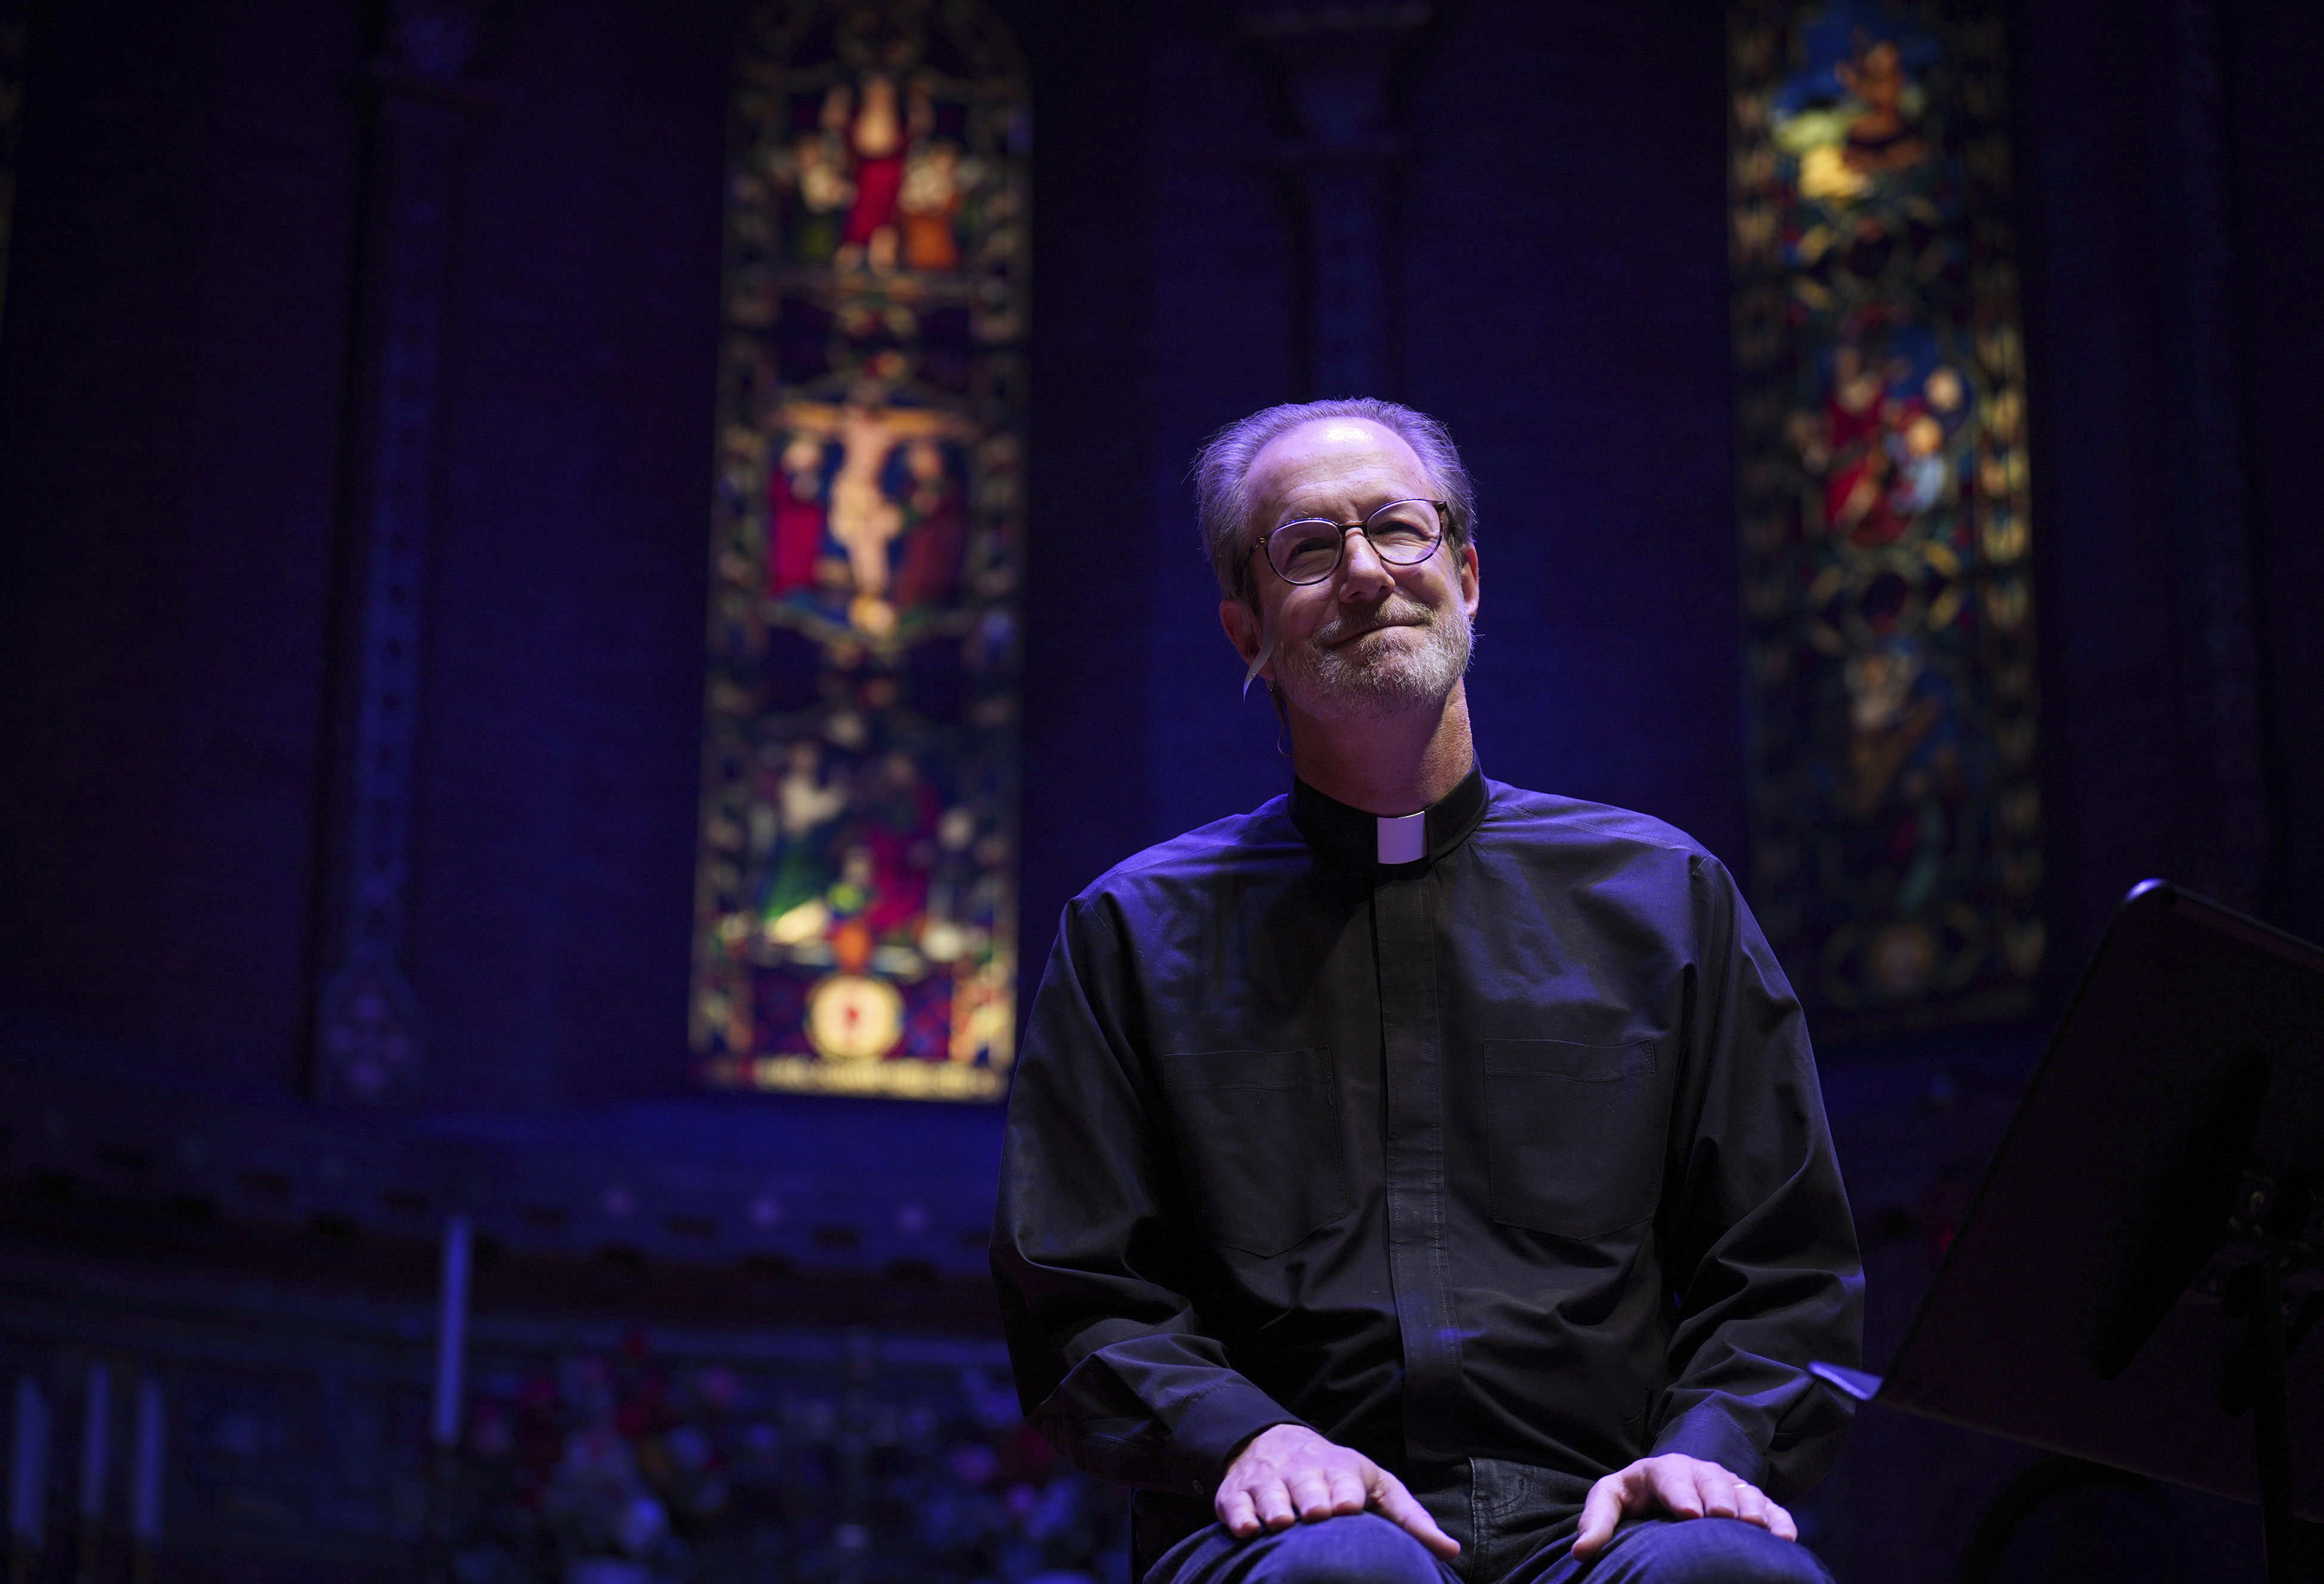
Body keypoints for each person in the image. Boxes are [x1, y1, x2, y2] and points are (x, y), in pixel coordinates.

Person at [992, 399, 1862, 1584]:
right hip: (1281, 1525)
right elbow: (1081, 1290)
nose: (1366, 572)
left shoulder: (1665, 896)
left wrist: (1707, 1447)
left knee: (1732, 1576)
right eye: (1307, 547)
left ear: (1465, 572)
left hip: (1609, 1518)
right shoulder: (1133, 933)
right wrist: (1253, 1435)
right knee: (1347, 1578)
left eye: (1400, 529)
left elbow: (1783, 1262)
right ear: (1246, 625)